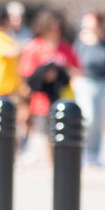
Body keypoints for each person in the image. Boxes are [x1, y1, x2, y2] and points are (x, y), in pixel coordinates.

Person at [19, 10, 81, 160]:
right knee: (46, 132)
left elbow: (78, 69)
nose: (54, 31)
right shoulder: (34, 47)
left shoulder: (66, 47)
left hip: (63, 95)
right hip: (41, 99)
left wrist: (65, 72)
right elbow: (26, 74)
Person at [74, 12, 105, 167]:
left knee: (99, 121)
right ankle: (82, 151)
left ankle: (94, 154)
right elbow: (74, 62)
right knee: (87, 118)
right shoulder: (81, 43)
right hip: (85, 83)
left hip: (102, 83)